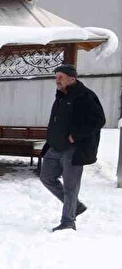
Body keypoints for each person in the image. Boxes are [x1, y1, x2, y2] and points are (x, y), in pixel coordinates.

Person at [40, 64, 105, 232]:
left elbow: (98, 120)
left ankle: (68, 221)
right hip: (55, 147)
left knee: (70, 187)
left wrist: (75, 136)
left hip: (74, 149)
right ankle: (75, 206)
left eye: (60, 77)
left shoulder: (85, 96)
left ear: (72, 78)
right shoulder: (61, 95)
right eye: (56, 77)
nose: (57, 80)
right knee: (46, 177)